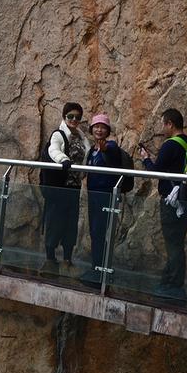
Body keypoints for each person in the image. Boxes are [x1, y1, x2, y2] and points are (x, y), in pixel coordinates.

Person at [139, 108, 187, 302]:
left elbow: (156, 171)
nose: (162, 128)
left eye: (163, 124)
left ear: (170, 124)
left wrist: (146, 159)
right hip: (186, 198)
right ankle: (170, 282)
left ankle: (173, 285)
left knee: (173, 245)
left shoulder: (170, 145)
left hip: (172, 201)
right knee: (177, 243)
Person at [40, 102, 90, 273]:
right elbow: (53, 150)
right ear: (64, 116)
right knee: (54, 221)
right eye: (70, 116)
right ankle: (50, 259)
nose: (74, 119)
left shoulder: (82, 138)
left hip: (74, 187)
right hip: (58, 187)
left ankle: (67, 259)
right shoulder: (59, 134)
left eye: (77, 117)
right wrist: (63, 160)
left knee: (70, 223)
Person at [80, 113, 122, 286]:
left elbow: (111, 153)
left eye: (103, 127)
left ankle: (101, 270)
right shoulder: (93, 150)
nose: (99, 130)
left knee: (100, 232)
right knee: (95, 232)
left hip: (105, 197)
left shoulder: (110, 146)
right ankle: (96, 268)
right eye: (96, 127)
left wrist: (104, 149)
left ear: (108, 131)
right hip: (94, 196)